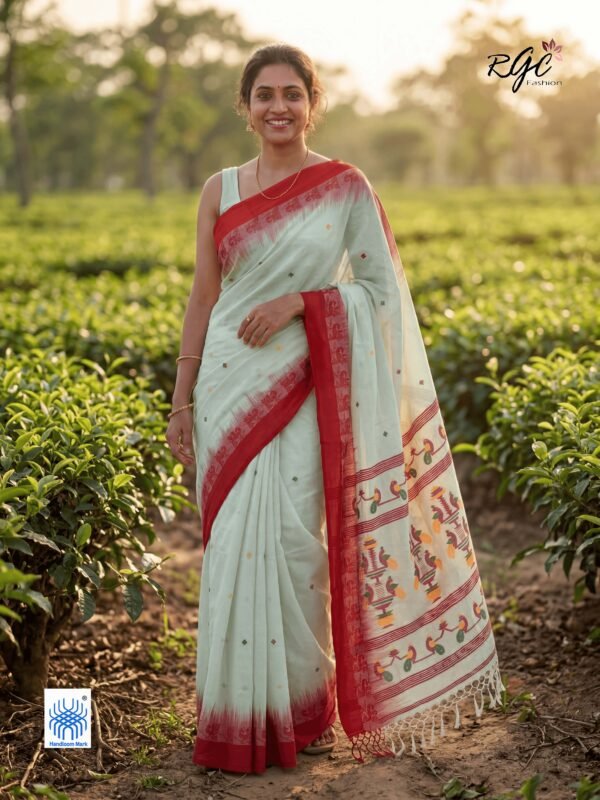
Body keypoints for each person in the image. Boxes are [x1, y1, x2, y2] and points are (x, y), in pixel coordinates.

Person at [166, 43, 504, 776]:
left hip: (302, 384)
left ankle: (302, 710)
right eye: (264, 95)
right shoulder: (218, 190)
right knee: (231, 551)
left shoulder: (344, 186)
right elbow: (203, 296)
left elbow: (383, 296)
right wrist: (182, 396)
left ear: (313, 103)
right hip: (227, 382)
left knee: (293, 547)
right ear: (245, 107)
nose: (278, 107)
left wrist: (302, 303)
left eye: (292, 93)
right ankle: (233, 717)